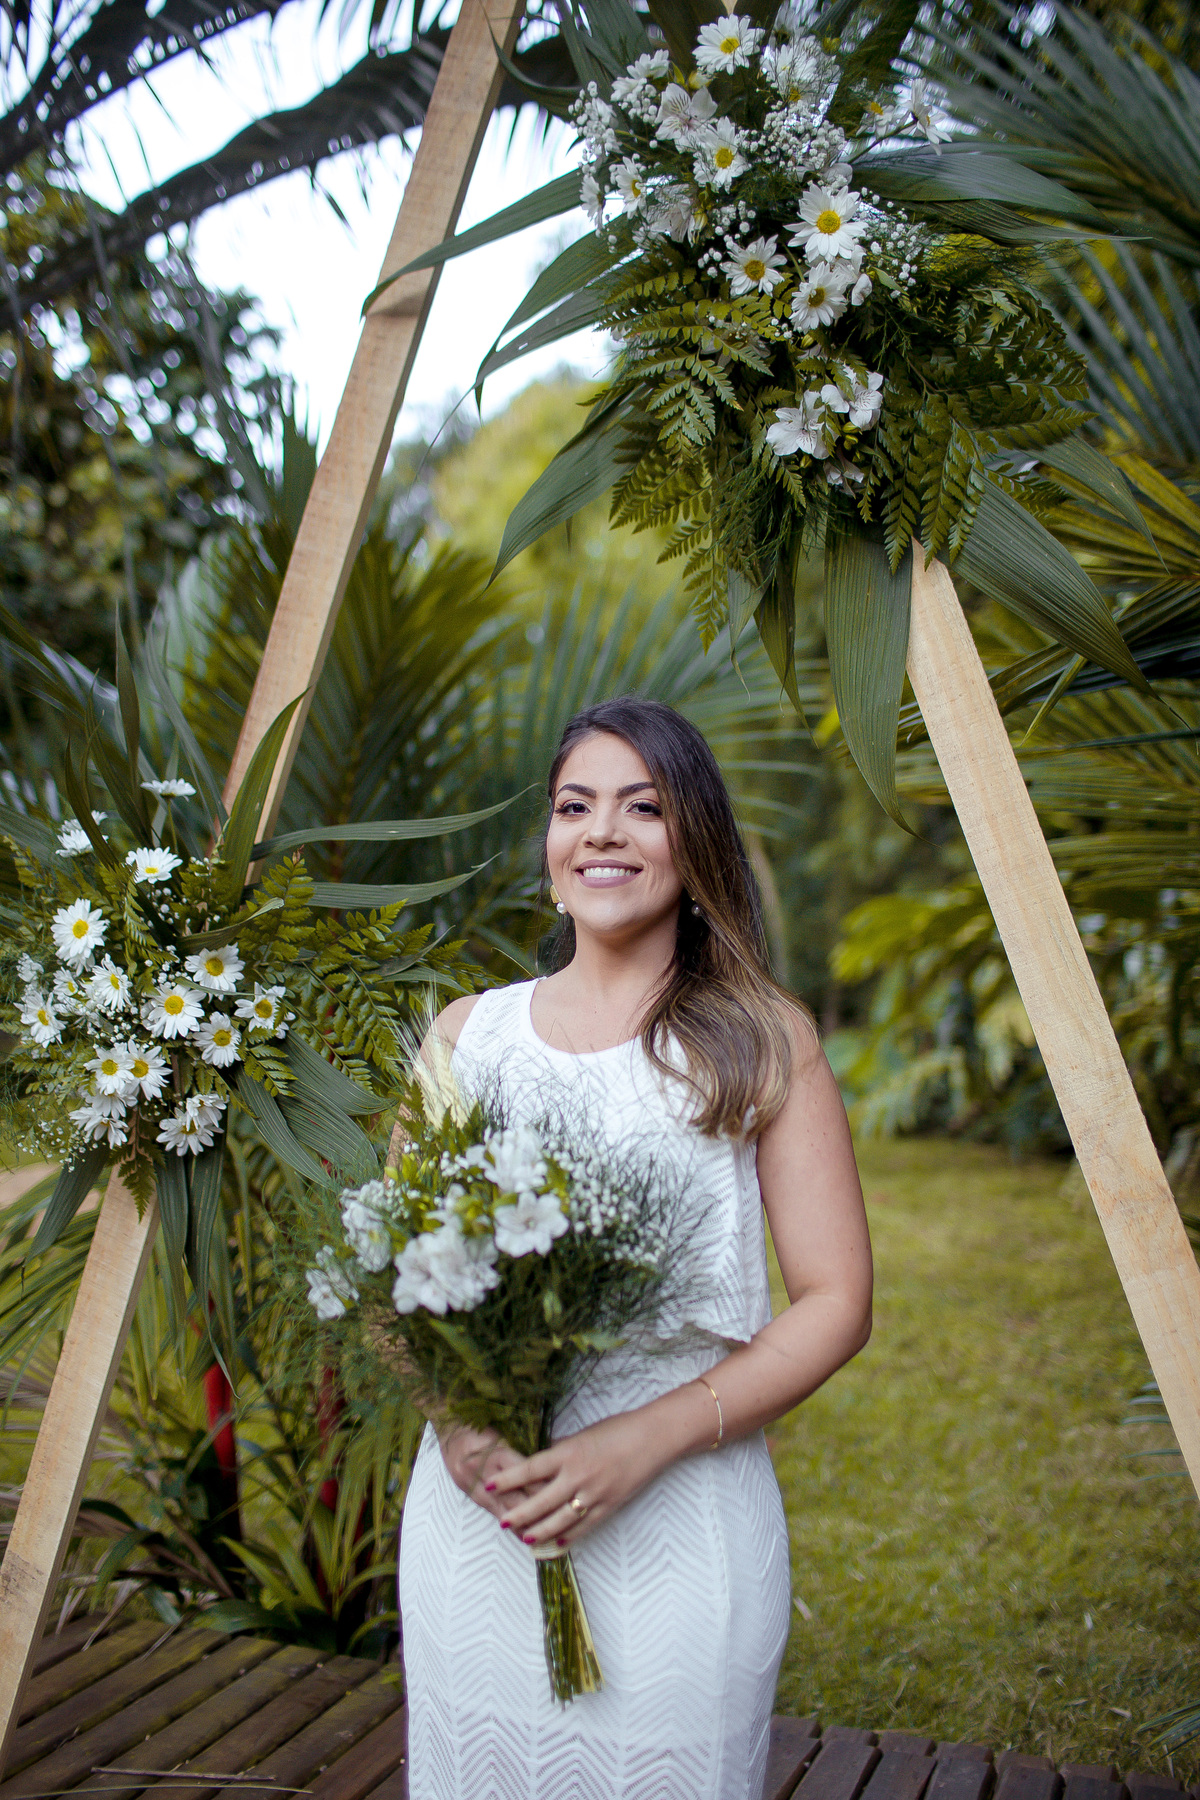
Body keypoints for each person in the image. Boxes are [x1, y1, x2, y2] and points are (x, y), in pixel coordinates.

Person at [398, 696, 872, 1800]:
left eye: (642, 808)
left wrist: (647, 1439)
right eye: (575, 806)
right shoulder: (467, 1037)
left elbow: (836, 1299)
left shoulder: (761, 1042)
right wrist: (460, 1422)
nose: (601, 832)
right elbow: (403, 1275)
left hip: (679, 1519)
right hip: (480, 1526)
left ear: (694, 844)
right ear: (550, 849)